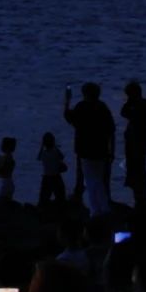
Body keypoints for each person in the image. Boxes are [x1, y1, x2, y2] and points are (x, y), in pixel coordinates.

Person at [64, 82, 115, 216]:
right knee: (98, 179)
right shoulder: (102, 107)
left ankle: (96, 209)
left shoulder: (82, 106)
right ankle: (102, 207)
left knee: (90, 180)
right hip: (101, 149)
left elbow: (69, 118)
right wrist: (112, 150)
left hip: (85, 149)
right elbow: (111, 129)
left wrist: (67, 100)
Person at [122, 81, 146, 207]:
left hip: (138, 142)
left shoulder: (140, 106)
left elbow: (124, 112)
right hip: (137, 141)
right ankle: (140, 197)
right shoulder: (143, 104)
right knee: (137, 168)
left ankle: (141, 197)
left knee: (138, 169)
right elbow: (124, 112)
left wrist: (130, 102)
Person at [38, 131, 68, 207]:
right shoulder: (55, 152)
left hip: (46, 177)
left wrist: (41, 147)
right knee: (60, 195)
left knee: (44, 197)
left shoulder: (43, 154)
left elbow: (38, 158)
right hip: (56, 176)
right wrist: (56, 147)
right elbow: (62, 157)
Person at [0, 136, 17, 204]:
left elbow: (2, 171)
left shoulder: (6, 159)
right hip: (9, 183)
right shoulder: (9, 158)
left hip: (6, 185)